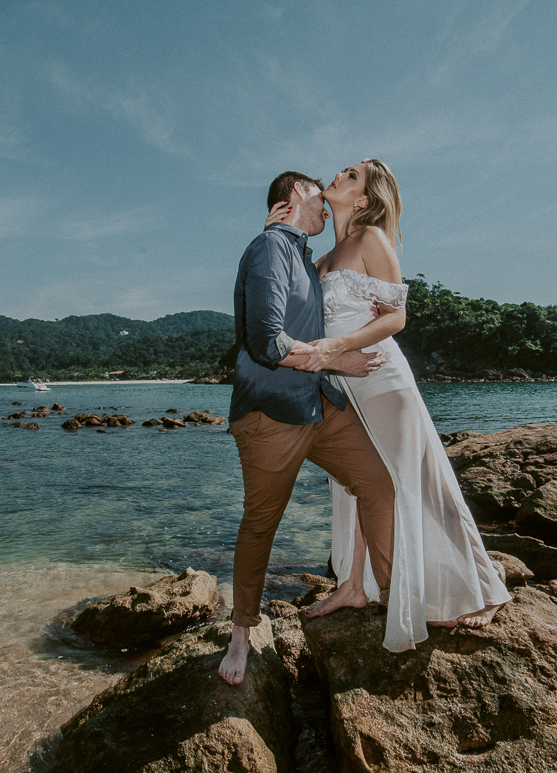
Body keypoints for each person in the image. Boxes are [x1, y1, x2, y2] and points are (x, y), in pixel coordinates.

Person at [268, 159, 511, 652]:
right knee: (356, 483)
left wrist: (336, 350)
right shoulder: (320, 260)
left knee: (415, 480)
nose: (338, 175)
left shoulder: (371, 239)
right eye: (343, 170)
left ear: (363, 199)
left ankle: (480, 589)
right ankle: (354, 586)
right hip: (342, 386)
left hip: (381, 379)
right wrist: (272, 231)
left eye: (351, 175)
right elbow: (290, 317)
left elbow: (396, 317)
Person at [219, 171, 393, 685]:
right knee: (261, 524)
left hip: (321, 407)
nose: (326, 200)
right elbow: (267, 342)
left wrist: (334, 366)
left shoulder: (294, 250)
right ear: (297, 194)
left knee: (378, 483)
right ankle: (240, 633)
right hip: (270, 412)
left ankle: (391, 594)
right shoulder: (269, 249)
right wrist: (338, 360)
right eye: (319, 191)